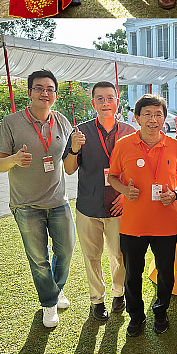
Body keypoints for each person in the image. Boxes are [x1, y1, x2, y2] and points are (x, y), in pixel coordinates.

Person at [0, 70, 75, 328]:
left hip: (58, 200)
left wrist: (76, 148)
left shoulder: (62, 122)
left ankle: (55, 289)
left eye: (49, 89)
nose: (44, 93)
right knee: (39, 259)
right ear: (29, 93)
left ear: (55, 95)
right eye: (39, 88)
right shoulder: (11, 122)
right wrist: (14, 159)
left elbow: (70, 162)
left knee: (67, 250)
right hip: (26, 204)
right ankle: (49, 303)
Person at [107, 94, 177, 337]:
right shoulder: (124, 145)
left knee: (166, 272)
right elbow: (113, 176)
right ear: (136, 118)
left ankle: (161, 310)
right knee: (133, 273)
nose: (153, 119)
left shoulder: (175, 146)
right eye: (147, 114)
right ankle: (136, 316)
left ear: (165, 118)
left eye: (158, 114)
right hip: (133, 225)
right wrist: (124, 190)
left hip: (166, 224)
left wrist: (176, 193)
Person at [63, 81, 134, 322]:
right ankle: (97, 300)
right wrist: (73, 150)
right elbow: (69, 169)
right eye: (100, 98)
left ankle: (118, 293)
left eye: (110, 98)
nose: (105, 102)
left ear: (117, 102)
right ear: (93, 103)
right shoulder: (80, 133)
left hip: (118, 206)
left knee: (120, 255)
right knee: (91, 256)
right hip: (89, 206)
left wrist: (125, 195)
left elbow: (137, 171)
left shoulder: (130, 133)